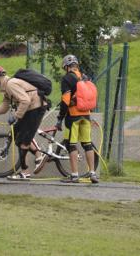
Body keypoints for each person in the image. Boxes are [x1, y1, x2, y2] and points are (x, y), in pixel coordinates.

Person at [0, 66, 47, 179]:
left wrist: (16, 116)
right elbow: (3, 108)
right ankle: (38, 156)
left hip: (35, 108)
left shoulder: (10, 84)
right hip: (30, 109)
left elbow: (25, 100)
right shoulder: (7, 89)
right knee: (17, 136)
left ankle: (25, 171)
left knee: (23, 142)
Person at [55, 55, 98, 183]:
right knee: (87, 144)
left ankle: (74, 175)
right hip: (86, 115)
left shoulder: (67, 78)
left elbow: (65, 101)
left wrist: (60, 118)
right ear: (76, 65)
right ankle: (92, 174)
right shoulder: (85, 77)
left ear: (67, 67)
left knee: (71, 145)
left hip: (73, 116)